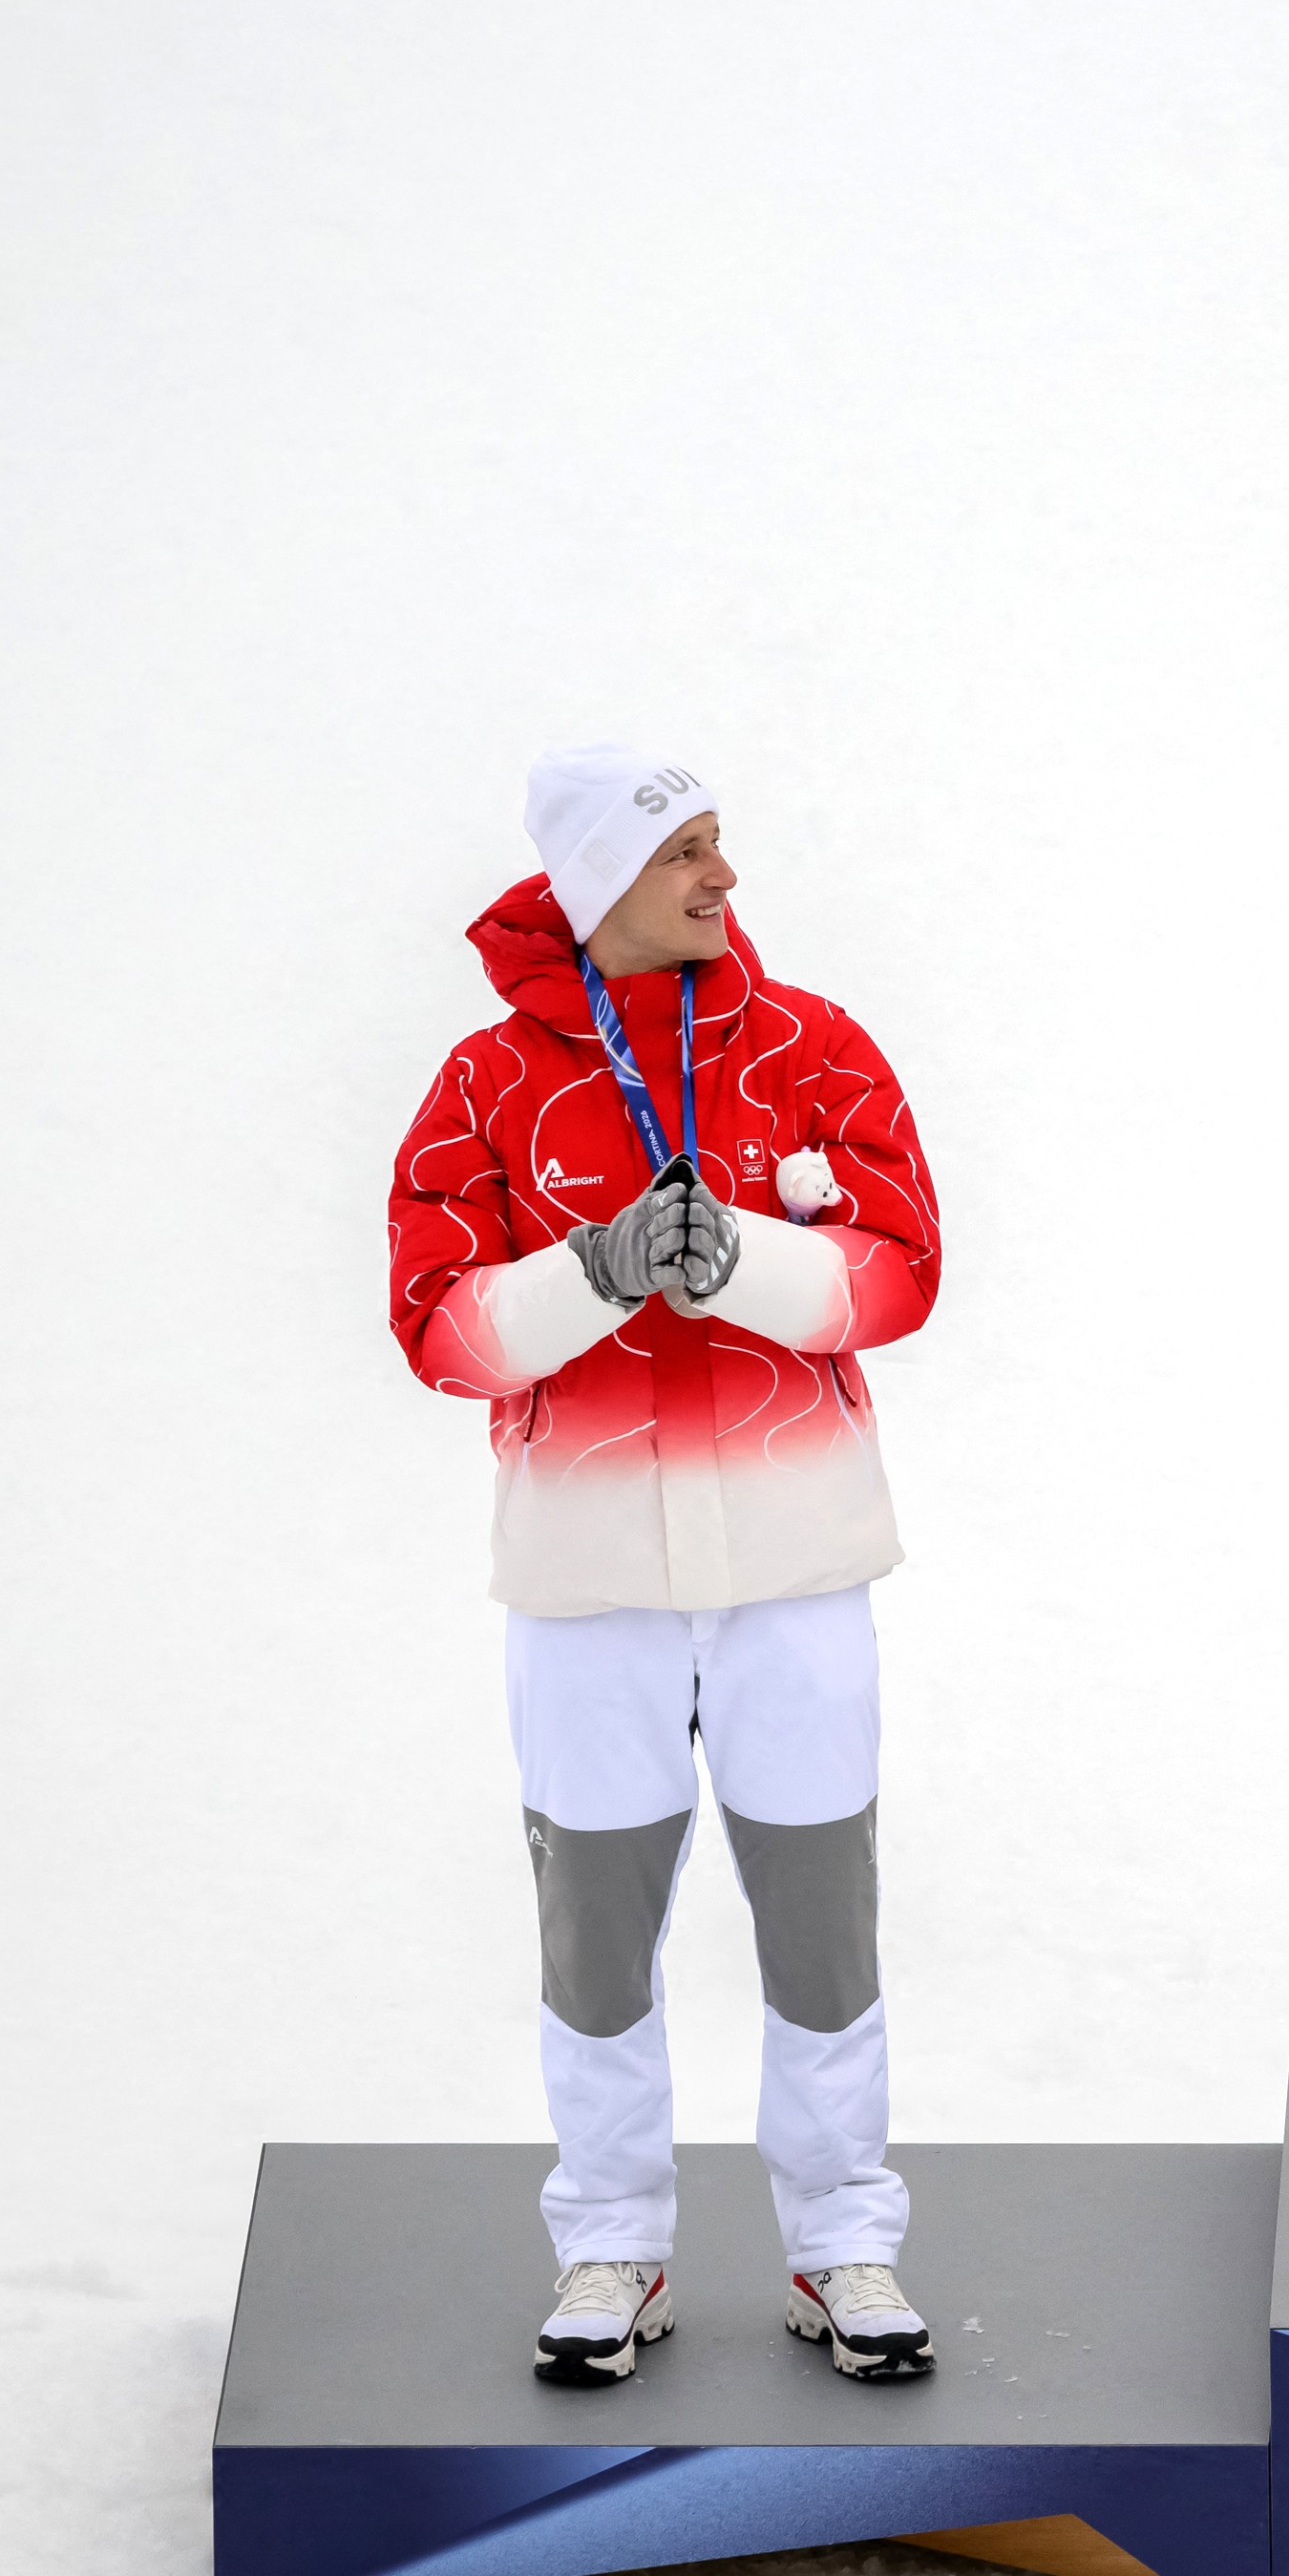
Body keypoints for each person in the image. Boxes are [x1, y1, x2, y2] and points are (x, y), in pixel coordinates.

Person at [385, 747, 949, 2385]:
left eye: (719, 842)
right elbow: (439, 1327)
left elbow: (905, 1266)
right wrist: (595, 1270)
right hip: (587, 1582)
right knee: (596, 1932)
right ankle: (610, 2242)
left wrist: (752, 1262)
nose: (722, 876)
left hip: (797, 1561)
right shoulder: (487, 1084)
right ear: (595, 884)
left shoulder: (811, 1045)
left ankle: (842, 2238)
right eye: (684, 850)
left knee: (822, 1916)